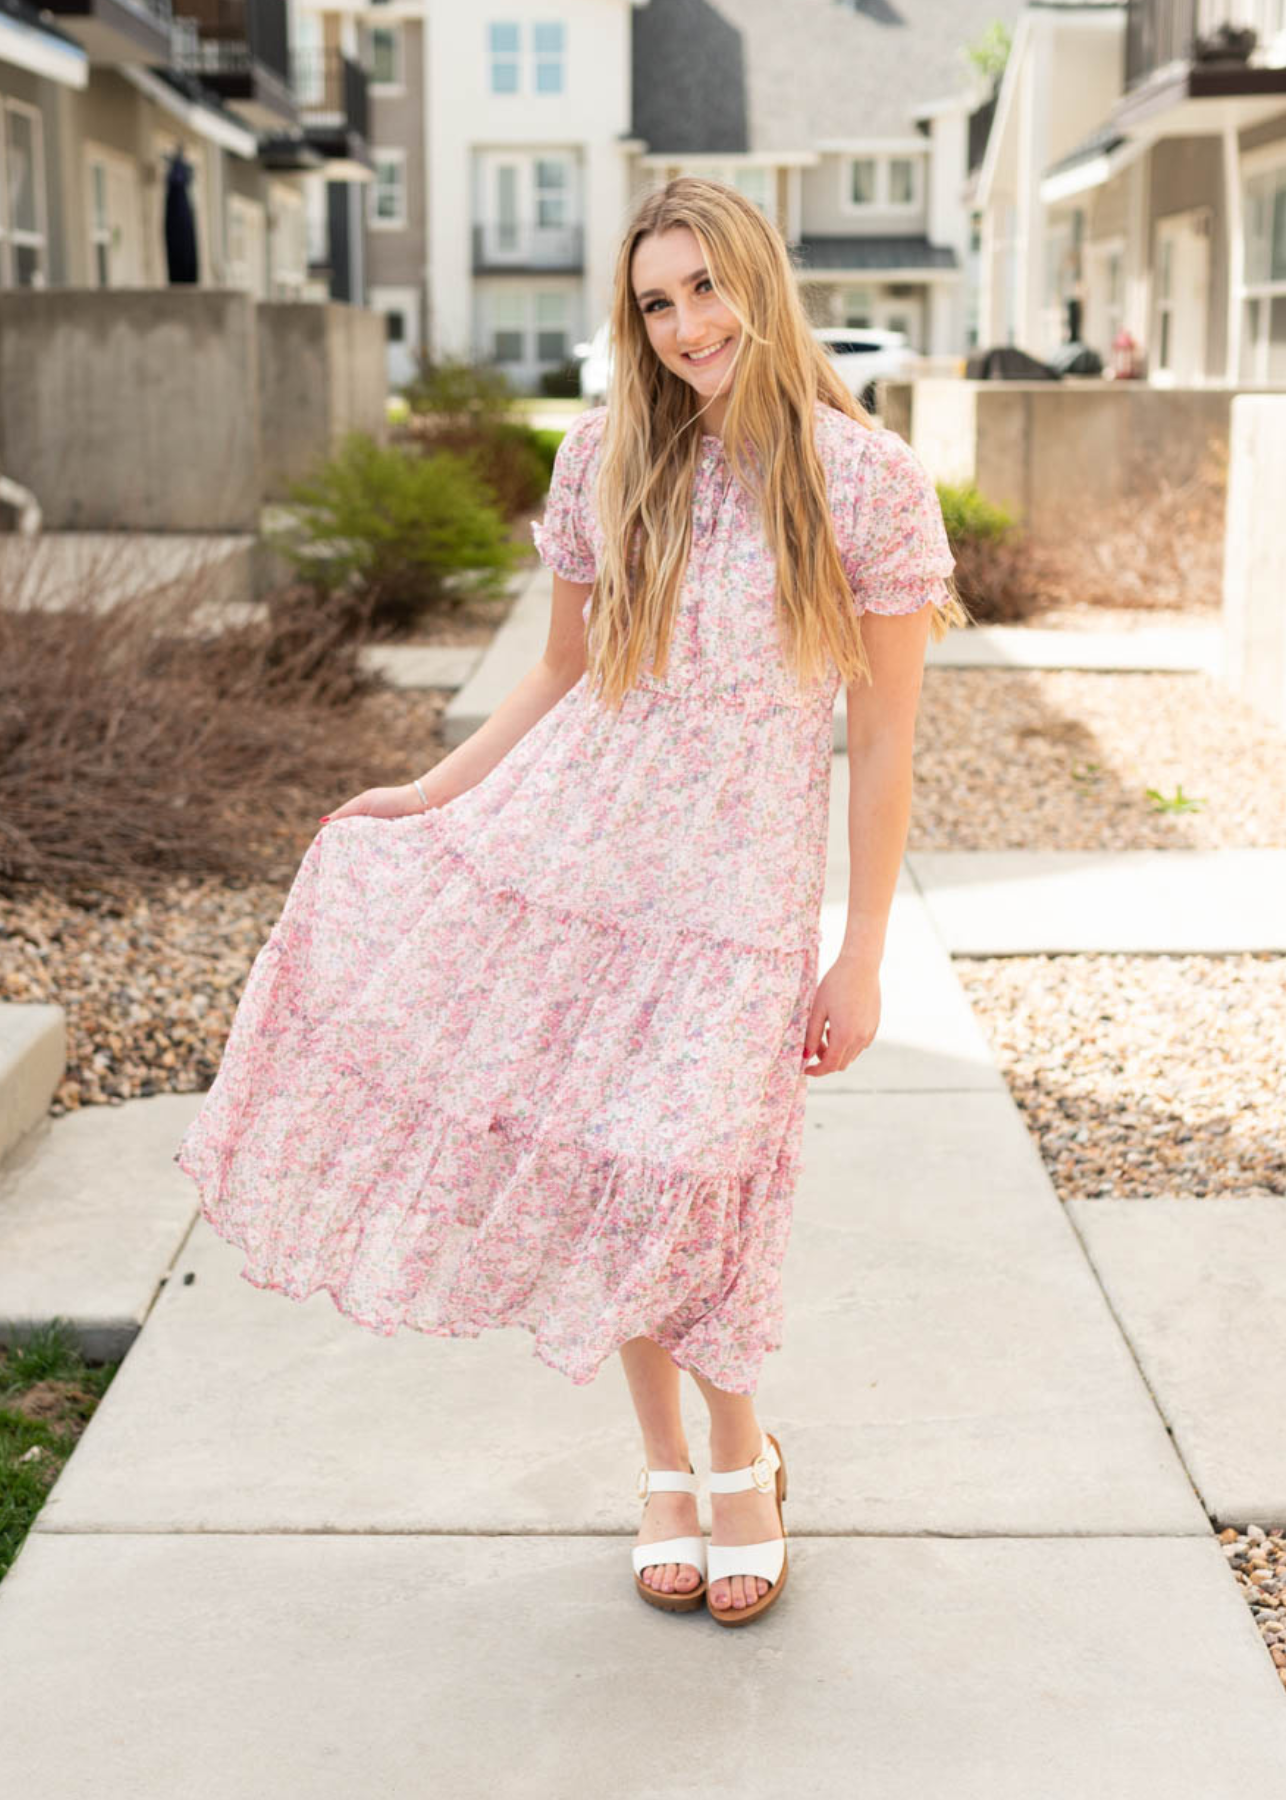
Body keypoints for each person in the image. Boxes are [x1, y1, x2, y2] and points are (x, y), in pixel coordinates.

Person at [173, 176, 966, 1629]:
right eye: (657, 303)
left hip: (737, 900)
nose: (685, 327)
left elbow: (886, 740)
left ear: (761, 285)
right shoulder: (608, 456)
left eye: (706, 289)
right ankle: (665, 1466)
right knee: (612, 1171)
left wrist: (860, 956)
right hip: (587, 862)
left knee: (697, 1173)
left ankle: (745, 1457)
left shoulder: (865, 482)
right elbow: (558, 670)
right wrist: (432, 797)